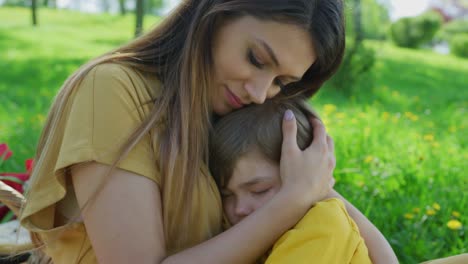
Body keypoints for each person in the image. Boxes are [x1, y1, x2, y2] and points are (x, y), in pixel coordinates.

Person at [17, 0, 396, 263]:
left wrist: (316, 187)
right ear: (214, 14)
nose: (259, 92)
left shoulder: (231, 112)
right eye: (256, 59)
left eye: (282, 81)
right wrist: (289, 202)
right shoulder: (114, 89)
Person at [210, 98, 377, 263]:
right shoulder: (238, 219)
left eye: (260, 190)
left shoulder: (322, 227)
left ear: (311, 175)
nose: (239, 208)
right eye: (226, 194)